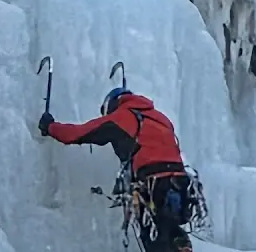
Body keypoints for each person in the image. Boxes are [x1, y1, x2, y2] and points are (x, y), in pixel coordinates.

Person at [38, 87, 193, 252]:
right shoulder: (161, 118)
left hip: (153, 184)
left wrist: (50, 127)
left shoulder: (123, 117)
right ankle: (180, 242)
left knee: (154, 238)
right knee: (169, 227)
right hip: (181, 183)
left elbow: (77, 134)